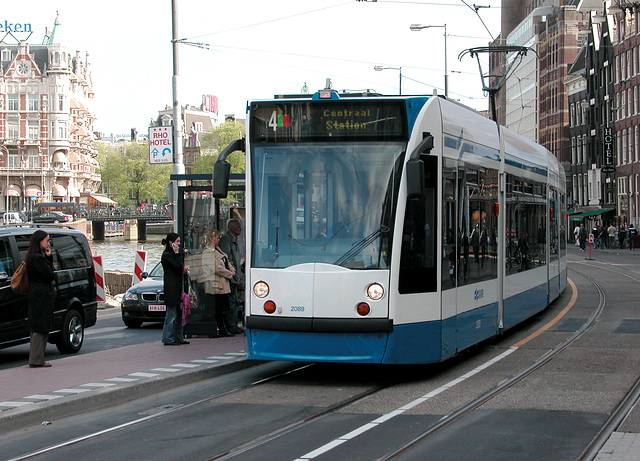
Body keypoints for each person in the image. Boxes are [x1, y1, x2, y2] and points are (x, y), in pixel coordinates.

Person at [25, 230, 55, 368]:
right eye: (46, 241)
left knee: (39, 325)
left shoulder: (32, 257)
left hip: (37, 294)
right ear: (39, 242)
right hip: (41, 295)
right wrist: (49, 259)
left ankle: (37, 358)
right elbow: (49, 275)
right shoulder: (37, 258)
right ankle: (37, 359)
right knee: (40, 326)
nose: (48, 243)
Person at [202, 229, 236, 337]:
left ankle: (223, 328)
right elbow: (217, 268)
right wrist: (230, 273)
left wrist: (232, 269)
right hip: (215, 285)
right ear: (212, 239)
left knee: (222, 309)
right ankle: (217, 329)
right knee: (216, 310)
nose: (218, 239)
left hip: (221, 284)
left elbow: (225, 260)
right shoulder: (207, 253)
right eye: (217, 237)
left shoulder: (217, 250)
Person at [161, 232, 189, 346]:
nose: (178, 244)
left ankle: (178, 336)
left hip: (178, 287)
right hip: (171, 288)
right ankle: (167, 338)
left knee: (179, 314)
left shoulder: (173, 255)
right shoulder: (167, 255)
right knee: (171, 315)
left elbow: (180, 265)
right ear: (170, 243)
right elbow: (177, 266)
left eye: (179, 241)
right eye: (177, 242)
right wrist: (177, 253)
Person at [218, 219, 244, 334]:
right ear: (232, 228)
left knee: (236, 301)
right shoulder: (226, 240)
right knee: (232, 302)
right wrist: (232, 272)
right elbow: (226, 258)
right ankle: (231, 325)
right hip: (231, 277)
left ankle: (234, 324)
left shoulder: (234, 240)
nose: (241, 229)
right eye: (238, 227)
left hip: (236, 276)